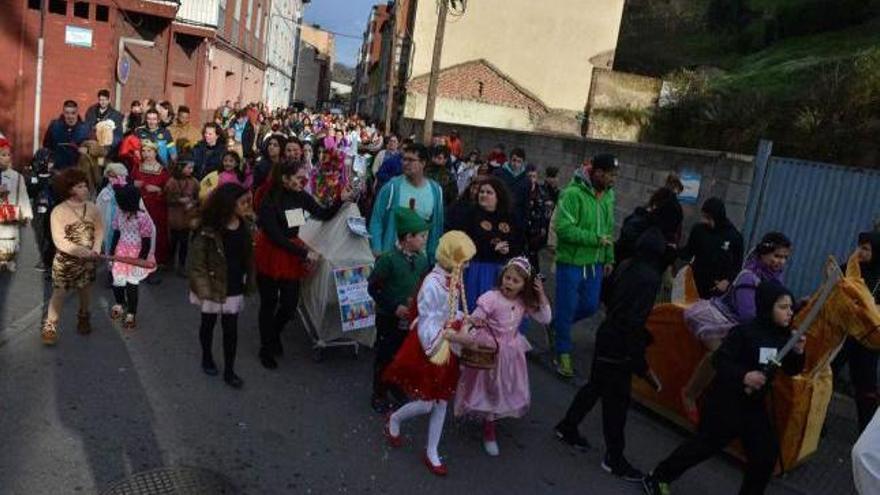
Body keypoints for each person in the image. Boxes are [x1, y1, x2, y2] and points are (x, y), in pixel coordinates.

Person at [554, 201, 679, 481]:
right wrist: (641, 363)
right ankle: (614, 457)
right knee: (617, 403)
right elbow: (633, 321)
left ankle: (567, 426)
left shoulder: (628, 264)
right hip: (620, 344)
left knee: (596, 385)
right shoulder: (649, 278)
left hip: (608, 334)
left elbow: (613, 302)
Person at [643, 281, 806, 495]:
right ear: (767, 307)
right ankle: (658, 476)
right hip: (726, 403)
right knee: (702, 447)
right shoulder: (744, 332)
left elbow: (792, 370)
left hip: (754, 407)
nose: (789, 312)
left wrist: (798, 352)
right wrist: (745, 376)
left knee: (765, 456)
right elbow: (720, 361)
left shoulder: (784, 336)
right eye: (782, 307)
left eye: (790, 307)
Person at [382, 231, 476, 476]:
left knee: (442, 400)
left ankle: (432, 450)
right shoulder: (432, 284)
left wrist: (466, 319)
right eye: (464, 260)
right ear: (452, 259)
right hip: (430, 347)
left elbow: (450, 311)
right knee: (426, 403)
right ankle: (395, 418)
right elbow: (427, 322)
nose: (468, 265)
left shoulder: (454, 277)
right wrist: (454, 336)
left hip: (447, 344)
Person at [681, 232, 793, 418]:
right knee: (718, 354)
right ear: (763, 253)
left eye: (784, 258)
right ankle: (690, 393)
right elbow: (748, 315)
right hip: (723, 319)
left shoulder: (775, 278)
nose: (780, 262)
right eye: (776, 256)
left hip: (750, 326)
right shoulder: (748, 277)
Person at [254, 161, 350, 369]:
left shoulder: (300, 196)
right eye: (299, 178)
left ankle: (274, 334)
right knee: (268, 303)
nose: (303, 182)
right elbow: (275, 236)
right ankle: (266, 347)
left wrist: (339, 201)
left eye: (304, 178)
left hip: (291, 253)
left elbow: (322, 214)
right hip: (271, 253)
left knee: (289, 305)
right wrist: (304, 253)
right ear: (284, 178)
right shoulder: (269, 200)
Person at [455, 257, 552, 456]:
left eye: (516, 281)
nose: (509, 283)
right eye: (507, 278)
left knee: (504, 387)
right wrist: (474, 322)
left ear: (524, 285)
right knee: (490, 388)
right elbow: (474, 318)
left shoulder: (523, 302)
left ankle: (494, 415)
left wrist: (541, 294)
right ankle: (489, 429)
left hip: (511, 354)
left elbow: (546, 318)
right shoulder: (492, 298)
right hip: (489, 350)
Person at [551, 153, 618, 377]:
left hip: (595, 263)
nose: (613, 180)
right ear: (597, 173)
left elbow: (609, 228)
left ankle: (557, 326)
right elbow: (563, 228)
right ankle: (562, 353)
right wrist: (594, 239)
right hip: (570, 261)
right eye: (610, 175)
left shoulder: (609, 196)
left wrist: (608, 257)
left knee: (590, 306)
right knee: (566, 306)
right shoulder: (572, 193)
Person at [188, 183, 255, 389]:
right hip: (211, 284)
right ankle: (207, 357)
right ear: (228, 204)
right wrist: (204, 290)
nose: (246, 206)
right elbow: (197, 263)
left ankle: (229, 370)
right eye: (243, 202)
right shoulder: (207, 229)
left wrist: (249, 280)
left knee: (231, 329)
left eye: (248, 202)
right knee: (208, 324)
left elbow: (248, 258)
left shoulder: (246, 224)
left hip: (234, 284)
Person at [367, 207, 431, 413]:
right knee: (385, 355)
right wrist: (394, 306)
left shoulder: (422, 260)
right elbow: (373, 287)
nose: (424, 240)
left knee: (403, 355)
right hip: (389, 318)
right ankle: (379, 392)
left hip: (411, 318)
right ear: (407, 237)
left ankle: (396, 386)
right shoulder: (388, 260)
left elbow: (424, 284)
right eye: (421, 236)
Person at [42, 169, 104, 344]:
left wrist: (97, 249)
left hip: (88, 262)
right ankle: (50, 325)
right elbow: (59, 240)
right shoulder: (58, 212)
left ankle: (83, 317)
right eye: (80, 186)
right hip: (65, 261)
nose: (85, 189)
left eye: (85, 185)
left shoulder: (93, 208)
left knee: (85, 291)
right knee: (59, 292)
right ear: (69, 189)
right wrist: (80, 251)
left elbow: (99, 230)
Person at [833, 232, 880, 432]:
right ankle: (814, 423)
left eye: (866, 248)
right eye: (859, 246)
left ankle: (867, 431)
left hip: (867, 339)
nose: (860, 252)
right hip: (843, 333)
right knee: (828, 372)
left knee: (865, 385)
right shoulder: (849, 269)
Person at [454, 176, 524, 311]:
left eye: (489, 192)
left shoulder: (509, 216)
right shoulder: (470, 214)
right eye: (481, 192)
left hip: (503, 271)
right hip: (477, 269)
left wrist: (508, 249)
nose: (484, 195)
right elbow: (464, 243)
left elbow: (519, 242)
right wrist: (492, 248)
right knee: (477, 308)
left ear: (498, 196)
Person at [370, 143, 445, 264]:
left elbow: (437, 226)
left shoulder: (436, 191)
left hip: (422, 261)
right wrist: (377, 248)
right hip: (393, 259)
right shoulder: (392, 187)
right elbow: (377, 219)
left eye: (411, 160)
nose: (405, 163)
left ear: (423, 163)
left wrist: (434, 255)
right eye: (404, 159)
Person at [108, 185, 156, 329]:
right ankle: (120, 303)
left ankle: (131, 312)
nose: (118, 205)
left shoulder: (143, 218)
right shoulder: (119, 213)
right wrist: (111, 253)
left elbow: (146, 240)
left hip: (136, 254)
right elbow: (116, 233)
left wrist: (140, 259)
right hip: (120, 252)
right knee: (117, 280)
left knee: (132, 284)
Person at [679, 197, 745, 299]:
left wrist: (727, 281)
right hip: (694, 284)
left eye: (709, 218)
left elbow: (737, 266)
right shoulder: (699, 230)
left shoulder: (734, 237)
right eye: (704, 217)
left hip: (716, 290)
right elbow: (688, 251)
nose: (705, 221)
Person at [132, 140, 170, 272]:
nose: (146, 154)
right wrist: (134, 185)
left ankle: (157, 261)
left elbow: (170, 192)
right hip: (140, 207)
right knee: (139, 233)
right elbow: (130, 185)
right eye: (143, 151)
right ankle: (139, 259)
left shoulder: (163, 171)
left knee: (156, 233)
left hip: (157, 208)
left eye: (149, 151)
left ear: (155, 152)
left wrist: (159, 190)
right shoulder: (137, 168)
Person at [0, 138, 33, 272]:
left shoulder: (16, 176)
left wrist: (26, 214)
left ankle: (10, 259)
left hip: (10, 211)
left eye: (8, 155)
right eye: (3, 155)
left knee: (11, 236)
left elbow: (23, 195)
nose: (6, 158)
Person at [164, 161, 200, 275]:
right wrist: (178, 200)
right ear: (181, 168)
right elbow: (167, 198)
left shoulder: (194, 182)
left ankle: (182, 265)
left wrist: (193, 203)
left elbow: (198, 197)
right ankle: (169, 264)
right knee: (173, 242)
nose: (191, 170)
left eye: (192, 168)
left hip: (187, 218)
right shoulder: (172, 182)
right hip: (174, 217)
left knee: (184, 243)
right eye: (189, 168)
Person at [43, 100, 90, 171]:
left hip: (78, 170)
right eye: (67, 113)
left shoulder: (85, 128)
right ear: (63, 113)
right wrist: (50, 160)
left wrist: (87, 150)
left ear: (77, 113)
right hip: (57, 169)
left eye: (73, 113)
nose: (70, 116)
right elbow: (46, 145)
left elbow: (91, 149)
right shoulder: (54, 126)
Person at [525, 164, 552, 273]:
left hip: (536, 232)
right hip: (523, 230)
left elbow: (546, 212)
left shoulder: (542, 192)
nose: (531, 179)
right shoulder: (521, 190)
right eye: (529, 176)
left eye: (534, 176)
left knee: (534, 260)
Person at [492, 147, 530, 220]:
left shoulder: (526, 181)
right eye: (514, 160)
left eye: (519, 161)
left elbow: (526, 203)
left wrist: (523, 220)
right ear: (509, 160)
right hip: (498, 212)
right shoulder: (498, 173)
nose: (515, 164)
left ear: (523, 163)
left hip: (515, 217)